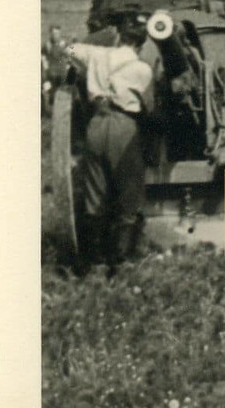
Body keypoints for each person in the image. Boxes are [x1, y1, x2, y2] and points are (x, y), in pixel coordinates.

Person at [66, 17, 155, 271]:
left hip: (96, 124)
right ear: (139, 45)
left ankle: (94, 263)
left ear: (120, 38)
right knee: (129, 194)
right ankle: (121, 261)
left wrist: (71, 75)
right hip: (123, 127)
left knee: (96, 193)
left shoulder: (97, 54)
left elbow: (68, 50)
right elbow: (149, 108)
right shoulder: (142, 69)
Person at [41, 24, 70, 114]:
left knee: (62, 92)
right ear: (50, 34)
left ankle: (61, 111)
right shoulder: (47, 45)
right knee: (51, 92)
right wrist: (45, 68)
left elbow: (73, 54)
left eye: (57, 33)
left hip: (62, 72)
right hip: (51, 73)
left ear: (60, 33)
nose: (55, 35)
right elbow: (42, 57)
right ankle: (52, 111)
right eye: (53, 33)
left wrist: (68, 65)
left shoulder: (65, 43)